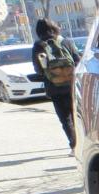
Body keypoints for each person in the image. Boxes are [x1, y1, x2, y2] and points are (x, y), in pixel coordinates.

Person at [31, 18, 79, 151]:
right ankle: (82, 143)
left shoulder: (38, 46)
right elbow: (77, 60)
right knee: (76, 115)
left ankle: (74, 145)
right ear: (55, 27)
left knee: (65, 119)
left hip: (54, 87)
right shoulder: (66, 42)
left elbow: (38, 69)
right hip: (71, 86)